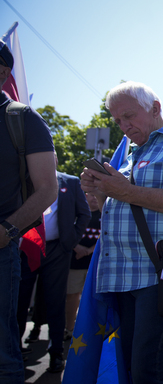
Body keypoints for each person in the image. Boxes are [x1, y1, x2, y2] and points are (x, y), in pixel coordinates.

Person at [80, 81, 163, 384]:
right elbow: (122, 205)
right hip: (120, 274)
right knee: (132, 369)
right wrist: (99, 192)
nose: (123, 126)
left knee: (149, 369)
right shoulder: (129, 151)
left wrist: (123, 190)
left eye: (129, 116)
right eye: (117, 120)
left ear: (155, 108)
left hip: (156, 275)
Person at [0, 40, 58, 383]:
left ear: (4, 72)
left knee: (3, 354)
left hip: (2, 249)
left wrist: (7, 230)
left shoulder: (22, 119)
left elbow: (47, 189)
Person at [17, 152, 91, 372]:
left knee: (55, 302)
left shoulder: (70, 182)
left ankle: (56, 353)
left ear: (55, 160)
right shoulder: (22, 181)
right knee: (19, 302)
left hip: (57, 250)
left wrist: (70, 241)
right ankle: (15, 350)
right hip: (26, 248)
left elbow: (84, 214)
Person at [64, 192, 102, 340]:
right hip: (75, 262)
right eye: (91, 194)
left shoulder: (104, 213)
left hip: (95, 264)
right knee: (72, 295)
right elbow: (66, 231)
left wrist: (88, 251)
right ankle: (69, 328)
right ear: (85, 196)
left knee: (95, 298)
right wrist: (77, 247)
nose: (94, 197)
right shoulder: (76, 213)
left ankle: (92, 330)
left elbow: (105, 234)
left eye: (96, 193)